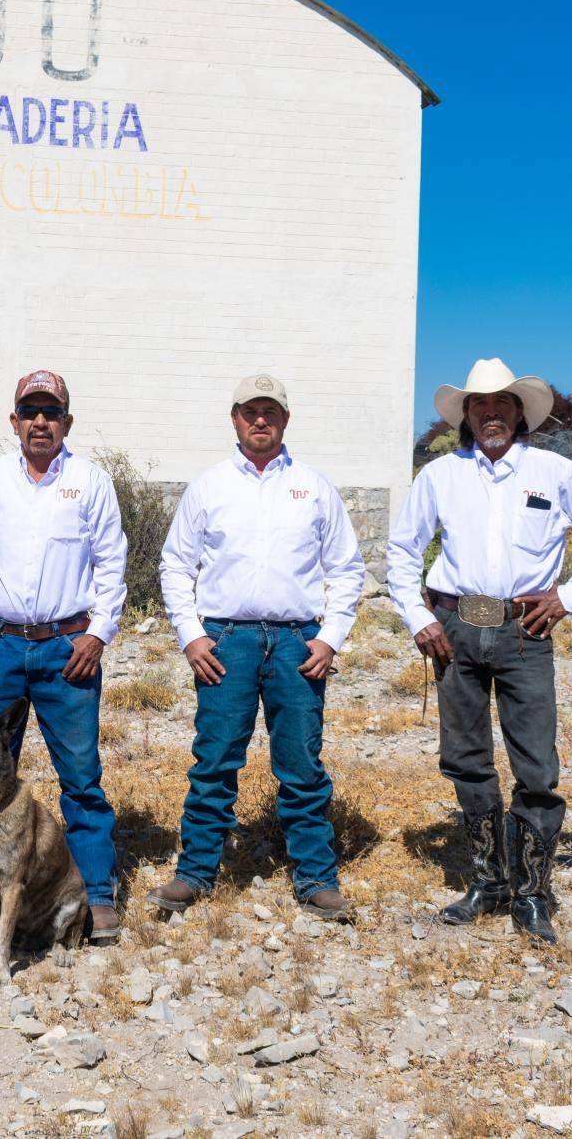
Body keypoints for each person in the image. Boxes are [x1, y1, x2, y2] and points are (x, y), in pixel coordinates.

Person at [387, 358, 572, 943]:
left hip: (527, 631)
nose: (490, 413)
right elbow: (403, 549)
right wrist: (419, 617)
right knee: (465, 758)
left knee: (536, 767)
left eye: (501, 403)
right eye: (479, 405)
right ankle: (487, 880)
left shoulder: (555, 471)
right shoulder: (441, 475)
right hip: (455, 628)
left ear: (519, 413)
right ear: (466, 417)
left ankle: (531, 892)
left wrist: (571, 595)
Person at [152, 374, 364, 919]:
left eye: (270, 411)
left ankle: (316, 879)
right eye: (251, 411)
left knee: (301, 763)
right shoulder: (209, 487)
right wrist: (191, 635)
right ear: (235, 418)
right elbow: (175, 565)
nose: (260, 421)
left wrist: (330, 638)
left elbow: (346, 568)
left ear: (286, 419)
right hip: (227, 642)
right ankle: (196, 872)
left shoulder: (315, 488)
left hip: (298, 644)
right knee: (215, 759)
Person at [0, 370, 127, 944]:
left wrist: (98, 634)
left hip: (68, 651)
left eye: (51, 412)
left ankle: (95, 892)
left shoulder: (90, 483)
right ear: (14, 420)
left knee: (81, 776)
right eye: (30, 411)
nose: (40, 421)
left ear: (67, 422)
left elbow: (112, 565)